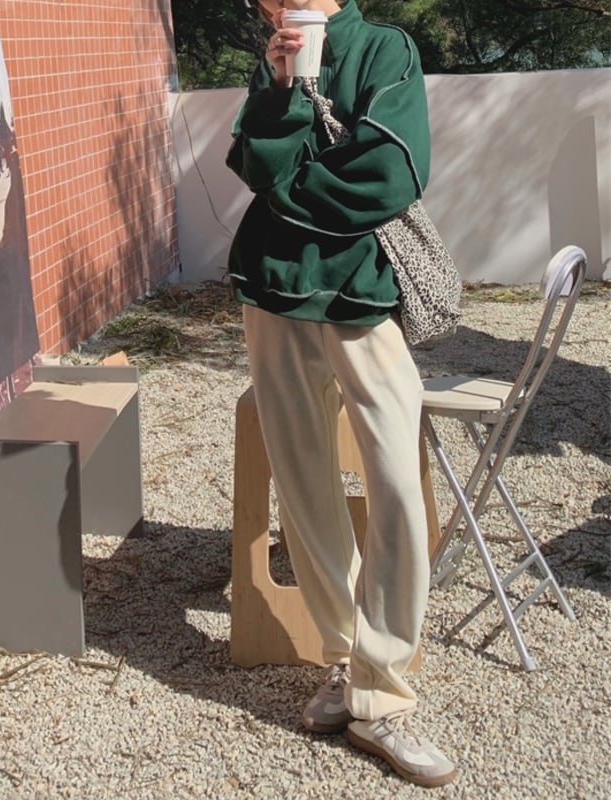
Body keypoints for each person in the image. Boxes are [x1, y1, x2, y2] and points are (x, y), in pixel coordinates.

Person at [226, 0, 457, 787]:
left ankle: (383, 692)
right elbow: (252, 161)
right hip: (273, 292)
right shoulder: (273, 58)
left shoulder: (385, 48)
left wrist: (286, 186)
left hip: (360, 295)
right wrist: (280, 91)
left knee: (395, 482)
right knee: (303, 488)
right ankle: (344, 659)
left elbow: (388, 175)